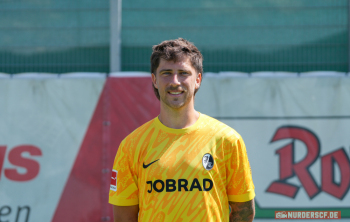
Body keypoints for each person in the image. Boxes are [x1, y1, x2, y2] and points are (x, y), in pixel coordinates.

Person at [109, 38, 255, 222]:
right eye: (166, 73)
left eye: (183, 73)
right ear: (154, 79)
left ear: (198, 80)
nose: (175, 81)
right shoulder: (131, 146)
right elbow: (124, 218)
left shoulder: (227, 140)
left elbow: (244, 211)